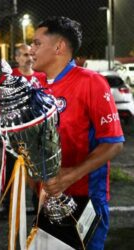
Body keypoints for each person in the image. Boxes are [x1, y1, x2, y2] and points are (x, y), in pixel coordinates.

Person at [30, 16, 124, 249]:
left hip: (85, 198)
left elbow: (113, 143)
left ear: (59, 47)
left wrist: (70, 175)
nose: (31, 49)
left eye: (37, 43)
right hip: (45, 197)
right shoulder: (35, 84)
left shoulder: (91, 82)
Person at [0, 44, 45, 213]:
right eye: (24, 55)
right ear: (16, 58)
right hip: (14, 135)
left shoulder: (42, 77)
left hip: (37, 135)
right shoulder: (8, 77)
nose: (29, 58)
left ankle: (38, 203)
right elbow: (0, 104)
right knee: (11, 170)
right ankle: (9, 205)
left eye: (31, 54)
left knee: (37, 170)